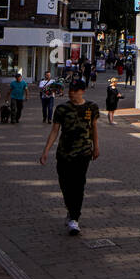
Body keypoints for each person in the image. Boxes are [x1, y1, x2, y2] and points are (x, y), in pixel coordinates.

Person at [40, 79, 99, 235]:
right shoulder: (62, 109)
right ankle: (70, 208)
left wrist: (96, 147)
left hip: (84, 152)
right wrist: (46, 150)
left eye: (75, 90)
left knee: (78, 184)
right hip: (64, 152)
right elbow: (54, 131)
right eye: (70, 89)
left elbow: (94, 128)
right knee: (65, 183)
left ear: (82, 91)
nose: (71, 92)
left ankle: (74, 218)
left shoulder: (91, 107)